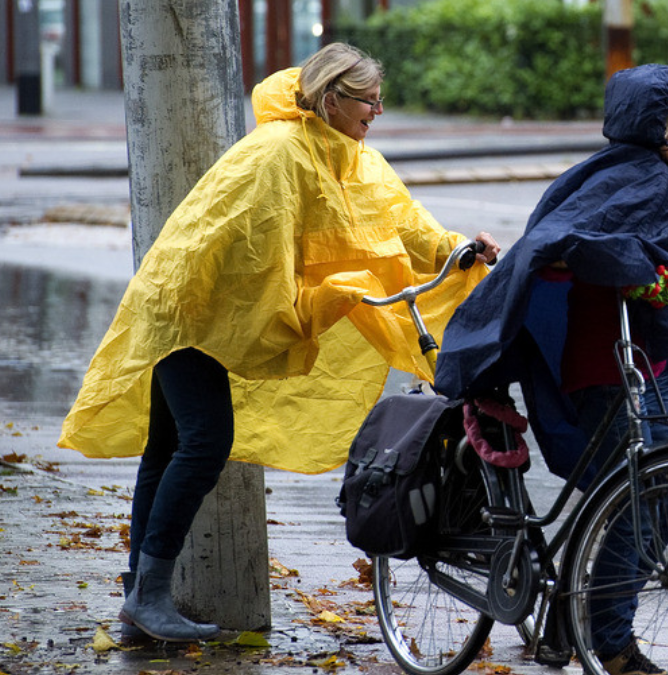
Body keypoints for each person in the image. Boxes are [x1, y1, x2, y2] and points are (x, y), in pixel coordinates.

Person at [57, 43, 499, 643]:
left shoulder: (353, 157)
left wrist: (455, 250)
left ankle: (140, 598)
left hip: (209, 313)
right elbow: (244, 257)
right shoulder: (278, 152)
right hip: (190, 309)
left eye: (380, 100)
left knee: (169, 446)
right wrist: (314, 304)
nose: (378, 110)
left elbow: (399, 221)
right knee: (203, 443)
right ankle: (148, 597)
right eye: (369, 99)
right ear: (333, 99)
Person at [434, 64, 668, 675]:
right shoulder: (642, 182)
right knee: (664, 492)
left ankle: (570, 622)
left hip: (623, 364)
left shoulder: (604, 178)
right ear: (655, 124)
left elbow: (626, 257)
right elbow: (615, 265)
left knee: (630, 495)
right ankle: (609, 641)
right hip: (612, 369)